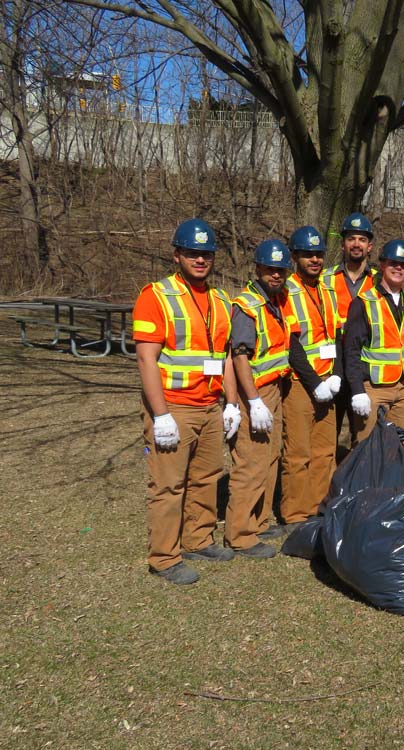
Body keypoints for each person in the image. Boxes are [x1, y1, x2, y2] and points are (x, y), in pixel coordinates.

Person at [133, 218, 239, 585]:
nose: (200, 259)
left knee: (206, 477)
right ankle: (164, 557)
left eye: (206, 253)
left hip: (209, 405)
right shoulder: (156, 296)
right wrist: (160, 415)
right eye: (192, 253)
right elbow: (146, 359)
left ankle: (198, 538)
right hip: (174, 407)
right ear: (177, 255)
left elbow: (225, 357)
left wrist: (232, 402)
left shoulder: (221, 300)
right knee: (168, 485)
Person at [227, 239, 297, 560]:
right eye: (270, 269)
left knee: (269, 458)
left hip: (275, 388)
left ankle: (259, 521)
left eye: (281, 270)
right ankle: (240, 534)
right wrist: (253, 401)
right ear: (258, 269)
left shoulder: (278, 301)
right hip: (253, 392)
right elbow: (239, 356)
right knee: (251, 462)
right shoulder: (248, 306)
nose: (276, 274)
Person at [281, 225, 344, 531]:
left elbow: (337, 335)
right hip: (300, 383)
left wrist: (336, 375)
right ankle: (295, 514)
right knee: (298, 453)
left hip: (327, 381)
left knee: (324, 451)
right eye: (308, 255)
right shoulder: (287, 291)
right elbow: (291, 343)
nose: (315, 260)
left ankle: (319, 507)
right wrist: (314, 382)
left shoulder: (328, 289)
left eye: (318, 254)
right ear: (294, 257)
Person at [343, 239, 404, 442]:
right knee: (368, 449)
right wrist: (357, 390)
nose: (398, 268)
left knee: (402, 448)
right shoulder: (364, 302)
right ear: (382, 265)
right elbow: (351, 350)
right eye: (393, 263)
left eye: (403, 265)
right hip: (373, 390)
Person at [321, 212, 377, 450]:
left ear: (369, 246)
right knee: (326, 435)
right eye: (351, 238)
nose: (356, 244)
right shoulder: (325, 279)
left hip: (363, 367)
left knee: (363, 435)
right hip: (330, 366)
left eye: (362, 239)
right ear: (343, 244)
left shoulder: (379, 282)